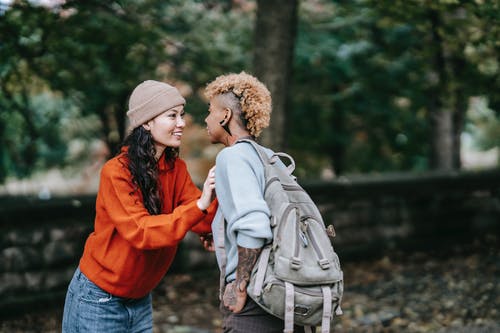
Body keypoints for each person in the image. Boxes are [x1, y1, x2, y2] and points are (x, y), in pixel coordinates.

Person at [62, 80, 217, 332]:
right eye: (172, 116)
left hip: (140, 299)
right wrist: (199, 206)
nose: (182, 123)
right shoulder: (116, 172)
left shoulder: (176, 169)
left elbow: (203, 217)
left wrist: (218, 203)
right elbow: (141, 231)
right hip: (99, 299)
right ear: (146, 122)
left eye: (182, 115)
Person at [204, 72, 305, 333]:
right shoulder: (269, 157)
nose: (206, 119)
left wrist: (239, 286)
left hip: (254, 299)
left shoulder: (232, 157)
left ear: (225, 116)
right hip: (283, 291)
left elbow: (254, 225)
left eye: (210, 110)